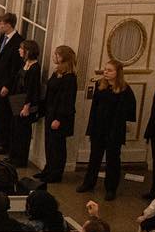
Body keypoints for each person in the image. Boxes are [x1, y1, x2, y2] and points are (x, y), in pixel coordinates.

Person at [78, 59, 135, 200]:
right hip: (99, 127)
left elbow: (129, 110)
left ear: (117, 73)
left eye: (109, 70)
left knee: (112, 160)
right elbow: (94, 108)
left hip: (114, 129)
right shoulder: (99, 85)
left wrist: (122, 125)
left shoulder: (125, 89)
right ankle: (89, 183)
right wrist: (91, 127)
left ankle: (111, 188)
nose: (106, 72)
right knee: (94, 157)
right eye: (105, 69)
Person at [38, 45, 78, 184]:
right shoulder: (57, 72)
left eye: (56, 54)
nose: (54, 57)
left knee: (57, 146)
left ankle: (56, 173)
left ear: (63, 57)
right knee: (49, 144)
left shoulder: (70, 78)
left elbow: (67, 101)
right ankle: (48, 169)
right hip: (51, 112)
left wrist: (58, 119)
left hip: (60, 116)